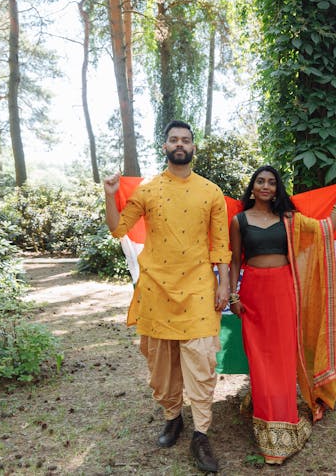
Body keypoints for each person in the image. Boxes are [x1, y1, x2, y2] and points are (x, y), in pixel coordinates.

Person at [103, 120, 230, 473]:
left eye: (185, 140)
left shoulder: (211, 191)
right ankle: (172, 416)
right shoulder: (147, 190)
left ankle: (201, 433)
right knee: (161, 364)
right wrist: (109, 194)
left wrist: (224, 284)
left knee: (202, 362)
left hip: (199, 289)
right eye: (173, 139)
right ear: (165, 147)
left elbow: (221, 244)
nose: (180, 144)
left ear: (193, 147)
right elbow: (118, 229)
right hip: (156, 288)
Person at [228, 165, 336, 465]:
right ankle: (265, 417)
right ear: (252, 187)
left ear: (277, 189)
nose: (265, 186)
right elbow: (235, 260)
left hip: (284, 292)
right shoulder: (239, 221)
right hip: (253, 294)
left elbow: (326, 229)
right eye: (260, 181)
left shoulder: (289, 219)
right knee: (260, 360)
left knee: (284, 358)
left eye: (271, 182)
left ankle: (284, 421)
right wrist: (233, 295)